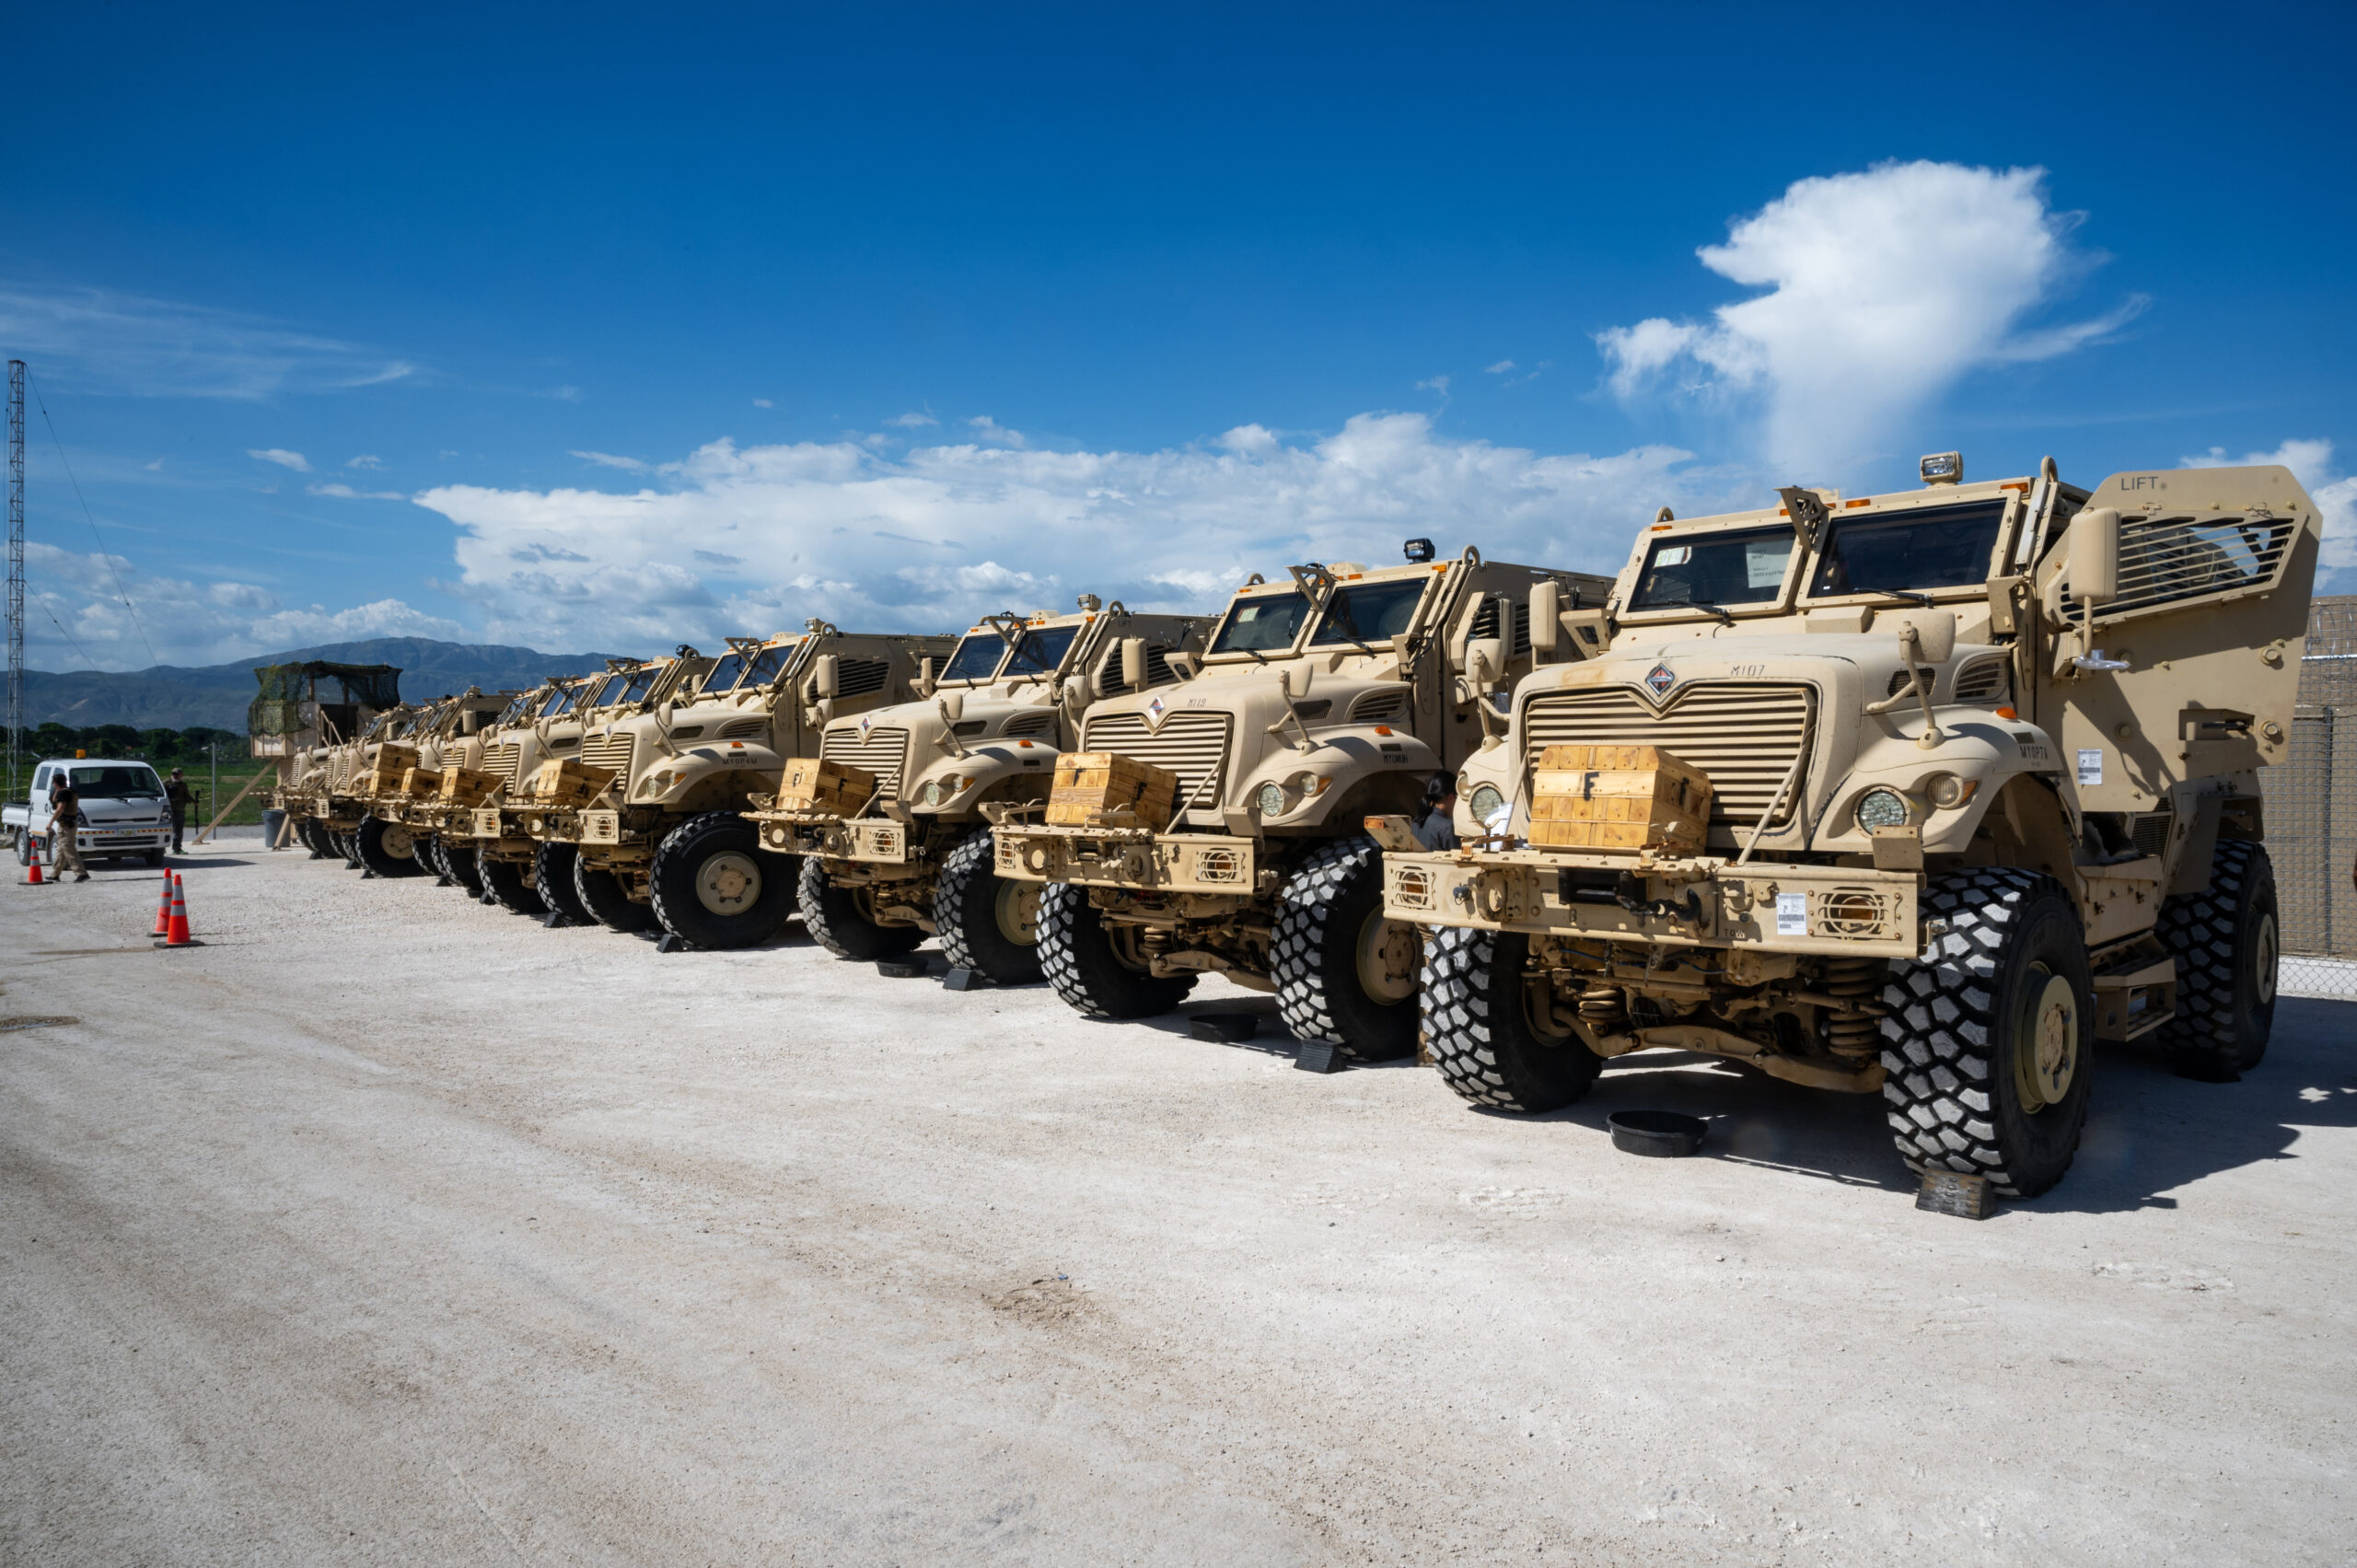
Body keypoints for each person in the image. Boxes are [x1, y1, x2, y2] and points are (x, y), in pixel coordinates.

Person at [49, 774, 89, 882]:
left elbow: (60, 808)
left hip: (67, 825)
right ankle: (55, 874)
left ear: (55, 783)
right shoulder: (70, 791)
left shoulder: (64, 793)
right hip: (66, 824)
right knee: (61, 850)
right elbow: (54, 800)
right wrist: (57, 789)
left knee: (69, 849)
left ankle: (82, 873)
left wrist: (50, 822)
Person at [1412, 775, 1459, 852]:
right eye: (1456, 797)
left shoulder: (1415, 822)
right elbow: (1457, 860)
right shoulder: (1448, 826)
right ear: (1450, 797)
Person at [165, 768, 198, 854]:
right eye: (174, 773)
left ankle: (176, 849)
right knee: (164, 829)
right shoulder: (165, 783)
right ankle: (161, 848)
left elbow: (186, 795)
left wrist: (194, 802)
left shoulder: (183, 785)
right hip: (167, 810)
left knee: (178, 830)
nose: (175, 775)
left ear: (181, 775)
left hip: (179, 809)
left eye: (177, 774)